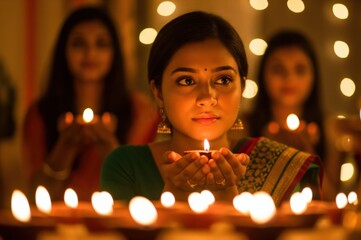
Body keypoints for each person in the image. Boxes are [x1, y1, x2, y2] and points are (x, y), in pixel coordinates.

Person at [100, 11, 322, 206]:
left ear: (242, 86)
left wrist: (229, 193)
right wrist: (174, 192)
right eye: (186, 81)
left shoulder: (284, 167)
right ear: (158, 91)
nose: (207, 97)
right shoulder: (126, 166)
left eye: (223, 80)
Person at [23, 6, 159, 201]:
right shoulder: (40, 113)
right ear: (63, 51)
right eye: (79, 43)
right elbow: (35, 196)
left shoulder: (140, 111)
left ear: (115, 52)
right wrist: (66, 146)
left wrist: (109, 146)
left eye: (101, 44)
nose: (90, 53)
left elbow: (143, 195)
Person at [247, 31, 326, 160]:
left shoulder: (329, 131)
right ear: (263, 74)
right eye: (278, 69)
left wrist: (306, 152)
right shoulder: (243, 128)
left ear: (314, 76)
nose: (289, 78)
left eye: (300, 70)